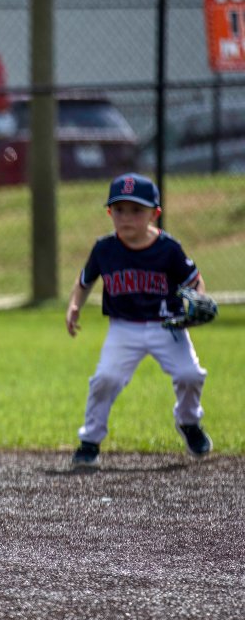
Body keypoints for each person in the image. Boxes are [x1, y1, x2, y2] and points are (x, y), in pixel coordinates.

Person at [65, 172, 211, 467]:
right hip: (124, 328)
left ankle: (188, 422)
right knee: (105, 379)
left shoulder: (168, 249)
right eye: (119, 210)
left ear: (155, 214)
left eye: (136, 210)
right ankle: (90, 441)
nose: (126, 217)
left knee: (190, 375)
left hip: (167, 326)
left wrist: (199, 299)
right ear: (109, 213)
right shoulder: (104, 249)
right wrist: (74, 306)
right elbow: (84, 281)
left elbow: (195, 281)